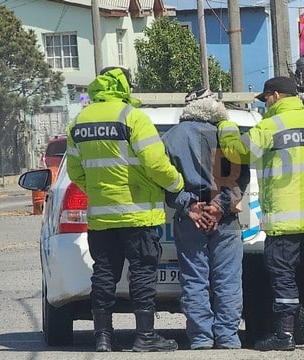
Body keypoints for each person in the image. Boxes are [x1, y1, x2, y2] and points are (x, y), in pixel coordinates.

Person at [217, 76, 304, 351]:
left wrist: (226, 125)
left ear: (275, 95)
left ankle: (284, 336)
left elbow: (236, 152)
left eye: (266, 99)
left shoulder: (269, 127)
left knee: (283, 277)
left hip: (285, 222)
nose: (265, 105)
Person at [66, 66, 184, 353]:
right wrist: (177, 183)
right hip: (138, 215)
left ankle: (103, 337)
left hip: (101, 218)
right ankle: (145, 337)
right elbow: (156, 164)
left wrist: (99, 191)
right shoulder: (133, 117)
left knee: (104, 273)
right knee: (142, 273)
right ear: (124, 86)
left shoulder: (78, 122)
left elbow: (75, 173)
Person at [161, 88, 250, 350]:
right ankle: (228, 337)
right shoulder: (226, 136)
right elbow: (239, 177)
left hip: (190, 218)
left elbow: (165, 181)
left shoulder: (169, 139)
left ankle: (201, 338)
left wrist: (191, 206)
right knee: (228, 279)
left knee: (194, 279)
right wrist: (219, 207)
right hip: (225, 218)